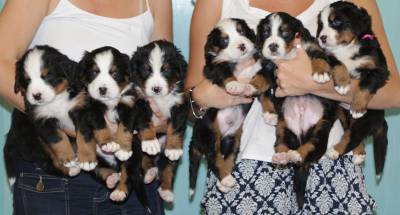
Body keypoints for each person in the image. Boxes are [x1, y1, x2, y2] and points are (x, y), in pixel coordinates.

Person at [187, 0, 400, 214]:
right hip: (241, 170)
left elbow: (393, 93)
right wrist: (200, 97)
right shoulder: (215, 3)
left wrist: (316, 83)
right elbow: (188, 103)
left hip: (330, 164)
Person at [0, 0, 172, 214]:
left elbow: (165, 74)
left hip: (130, 167)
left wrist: (160, 115)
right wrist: (68, 121)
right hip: (55, 167)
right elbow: (1, 62)